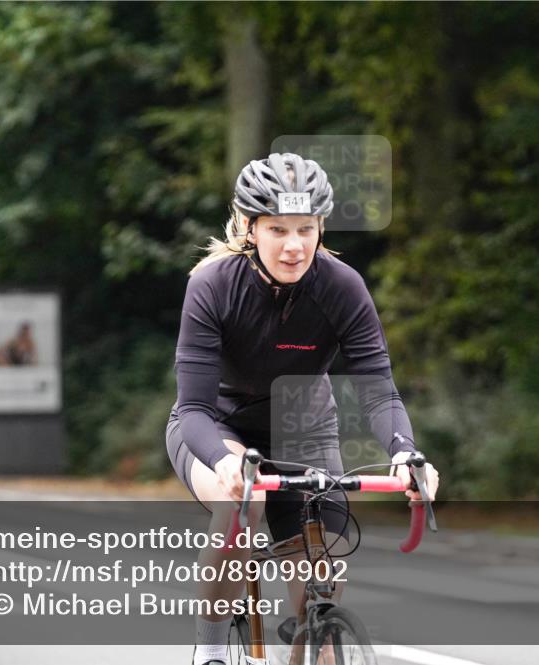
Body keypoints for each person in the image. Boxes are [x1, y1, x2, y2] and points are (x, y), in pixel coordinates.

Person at [165, 152, 440, 665]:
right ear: (250, 228)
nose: (294, 246)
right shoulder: (213, 285)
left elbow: (377, 390)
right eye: (277, 230)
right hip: (214, 427)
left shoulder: (341, 286)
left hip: (303, 432)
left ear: (320, 228)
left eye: (306, 229)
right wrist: (226, 462)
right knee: (242, 504)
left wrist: (405, 454)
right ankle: (210, 654)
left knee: (321, 597)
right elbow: (195, 407)